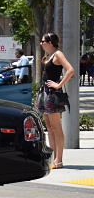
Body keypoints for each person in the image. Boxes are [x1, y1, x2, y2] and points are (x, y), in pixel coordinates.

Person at [35, 32, 74, 169]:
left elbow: (70, 70)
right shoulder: (48, 56)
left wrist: (58, 84)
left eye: (43, 41)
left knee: (56, 127)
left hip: (52, 94)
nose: (41, 43)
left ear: (50, 42)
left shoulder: (58, 54)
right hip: (44, 93)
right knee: (49, 128)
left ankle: (59, 160)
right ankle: (53, 158)